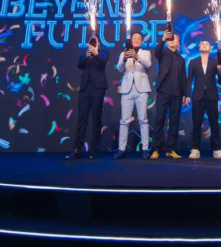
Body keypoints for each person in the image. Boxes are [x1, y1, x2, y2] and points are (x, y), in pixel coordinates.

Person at [66, 37, 108, 160]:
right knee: (82, 119)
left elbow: (104, 63)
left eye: (95, 41)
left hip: (98, 88)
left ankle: (94, 150)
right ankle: (77, 149)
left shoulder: (103, 52)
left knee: (96, 118)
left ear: (99, 43)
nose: (92, 43)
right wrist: (86, 56)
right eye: (91, 42)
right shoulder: (84, 54)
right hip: (85, 88)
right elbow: (79, 65)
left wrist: (96, 53)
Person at [114, 30, 153, 159]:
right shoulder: (123, 53)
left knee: (143, 120)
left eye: (138, 38)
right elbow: (119, 69)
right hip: (127, 88)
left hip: (142, 88)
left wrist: (136, 56)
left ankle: (145, 149)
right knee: (124, 121)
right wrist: (125, 58)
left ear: (141, 41)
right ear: (130, 41)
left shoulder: (146, 53)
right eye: (134, 38)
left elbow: (148, 64)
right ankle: (121, 149)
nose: (136, 40)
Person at [185, 39, 221, 159]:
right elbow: (189, 79)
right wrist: (187, 95)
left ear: (210, 48)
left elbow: (220, 79)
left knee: (214, 123)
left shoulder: (215, 62)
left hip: (212, 96)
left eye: (206, 44)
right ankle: (195, 149)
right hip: (197, 96)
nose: (204, 45)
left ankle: (216, 149)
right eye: (202, 44)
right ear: (199, 48)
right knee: (197, 123)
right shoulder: (193, 62)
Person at [152, 30, 187, 159]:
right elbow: (156, 52)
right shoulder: (163, 53)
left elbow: (183, 78)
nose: (172, 40)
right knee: (159, 120)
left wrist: (186, 94)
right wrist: (162, 39)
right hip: (163, 91)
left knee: (174, 121)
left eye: (174, 39)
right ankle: (155, 149)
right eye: (170, 39)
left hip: (177, 93)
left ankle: (170, 149)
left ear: (178, 42)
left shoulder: (181, 59)